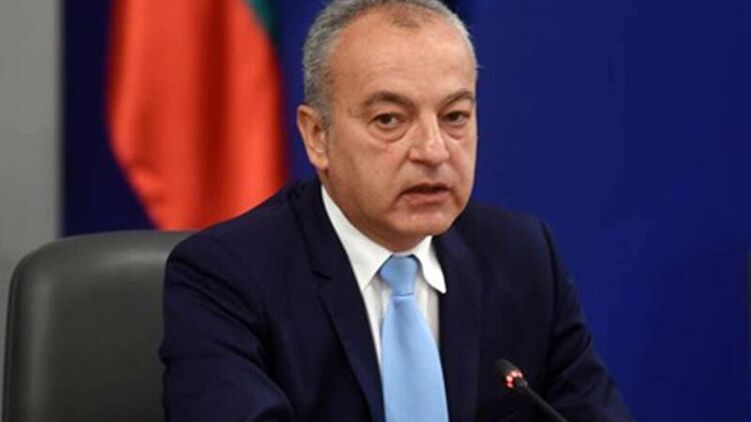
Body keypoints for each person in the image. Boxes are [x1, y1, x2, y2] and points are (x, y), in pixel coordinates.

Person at [160, 0, 633, 421]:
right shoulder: (227, 277)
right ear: (317, 136)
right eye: (389, 119)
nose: (434, 150)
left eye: (454, 117)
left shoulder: (524, 259)